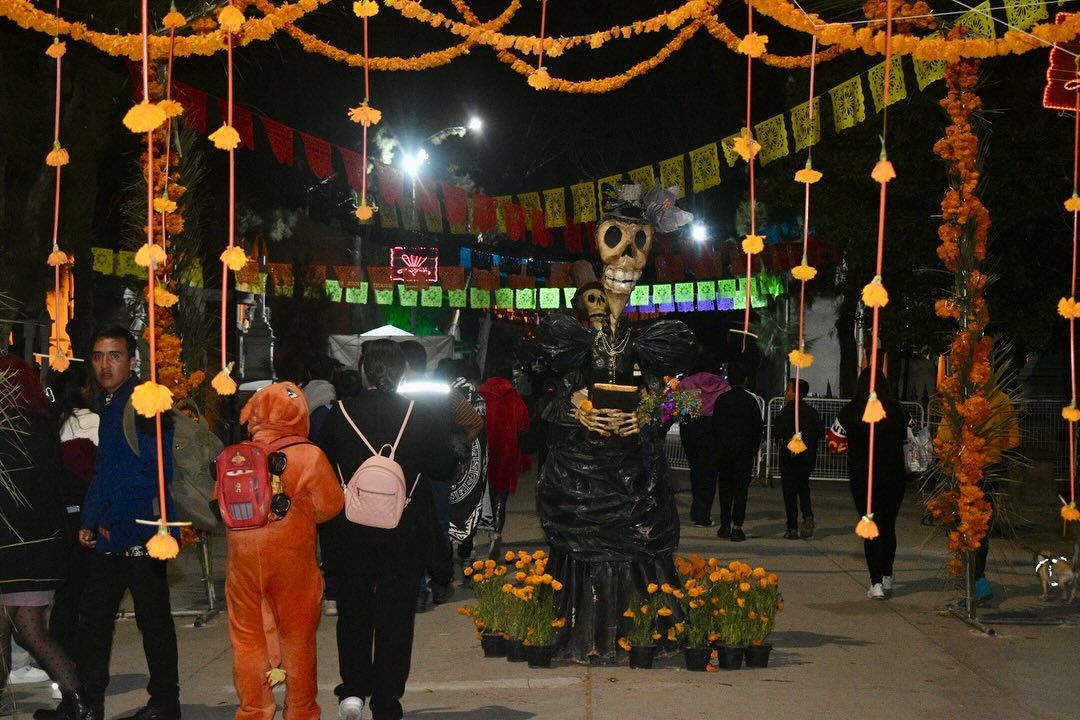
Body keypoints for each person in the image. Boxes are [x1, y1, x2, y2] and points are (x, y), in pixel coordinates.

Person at [537, 180, 694, 661]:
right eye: (616, 242)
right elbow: (556, 401)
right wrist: (581, 410)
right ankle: (581, 632)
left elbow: (664, 397)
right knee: (581, 542)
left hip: (631, 470)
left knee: (639, 541)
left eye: (639, 245)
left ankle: (643, 630)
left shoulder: (646, 340)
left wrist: (645, 420)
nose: (626, 262)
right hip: (583, 470)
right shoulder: (575, 336)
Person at [314, 340, 454, 720]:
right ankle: (387, 701)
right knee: (396, 616)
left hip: (351, 530)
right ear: (404, 371)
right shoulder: (420, 414)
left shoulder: (339, 413)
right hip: (404, 529)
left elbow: (318, 468)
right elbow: (444, 467)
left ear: (362, 371)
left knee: (354, 610)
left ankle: (353, 692)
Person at [69, 326, 180, 720]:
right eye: (98, 356)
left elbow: (153, 470)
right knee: (95, 620)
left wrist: (109, 516)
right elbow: (106, 469)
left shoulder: (144, 401)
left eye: (114, 355)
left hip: (144, 529)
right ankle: (88, 703)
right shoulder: (110, 401)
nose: (104, 364)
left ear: (132, 360)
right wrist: (90, 517)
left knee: (153, 622)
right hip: (111, 530)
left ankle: (166, 703)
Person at [223, 382, 343, 720]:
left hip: (243, 564)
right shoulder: (308, 455)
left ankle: (253, 709)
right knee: (297, 639)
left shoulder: (238, 455)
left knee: (247, 641)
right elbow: (331, 505)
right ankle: (301, 710)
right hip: (292, 563)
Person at [0, 354, 97, 720]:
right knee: (23, 629)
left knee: (24, 630)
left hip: (14, 549)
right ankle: (79, 701)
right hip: (39, 546)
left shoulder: (9, 429)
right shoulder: (42, 425)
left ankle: (79, 699)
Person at [398, 341, 482, 611]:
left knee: (410, 528)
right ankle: (440, 585)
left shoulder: (396, 390)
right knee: (440, 526)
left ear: (406, 364)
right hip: (438, 469)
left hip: (407, 471)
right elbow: (474, 422)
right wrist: (455, 449)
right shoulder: (444, 390)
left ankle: (418, 586)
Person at [834, 369, 907, 599]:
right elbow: (910, 435)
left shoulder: (850, 410)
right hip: (894, 476)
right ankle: (887, 575)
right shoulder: (898, 409)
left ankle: (875, 582)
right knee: (888, 526)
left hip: (863, 478)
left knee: (871, 527)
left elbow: (834, 441)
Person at [478, 367, 531, 561]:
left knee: (480, 498)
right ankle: (496, 535)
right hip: (506, 454)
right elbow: (524, 428)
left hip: (484, 453)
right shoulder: (515, 399)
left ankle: (475, 541)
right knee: (500, 497)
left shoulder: (480, 396)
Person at [710, 359, 765, 542]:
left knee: (725, 488)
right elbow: (758, 428)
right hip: (744, 451)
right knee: (741, 489)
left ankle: (724, 524)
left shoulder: (722, 400)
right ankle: (737, 526)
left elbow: (715, 426)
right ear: (746, 380)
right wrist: (752, 448)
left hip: (724, 451)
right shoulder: (750, 401)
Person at [678, 358, 729, 528]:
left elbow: (687, 409)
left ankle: (696, 510)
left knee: (696, 469)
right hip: (712, 428)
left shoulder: (687, 382)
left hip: (692, 426)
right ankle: (703, 514)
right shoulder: (722, 385)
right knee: (709, 472)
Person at [774, 378, 822, 539]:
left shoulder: (785, 413)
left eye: (788, 389)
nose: (785, 393)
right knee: (803, 487)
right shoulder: (812, 413)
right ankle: (807, 515)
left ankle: (792, 526)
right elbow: (820, 433)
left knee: (789, 491)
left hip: (789, 457)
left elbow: (777, 432)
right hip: (807, 457)